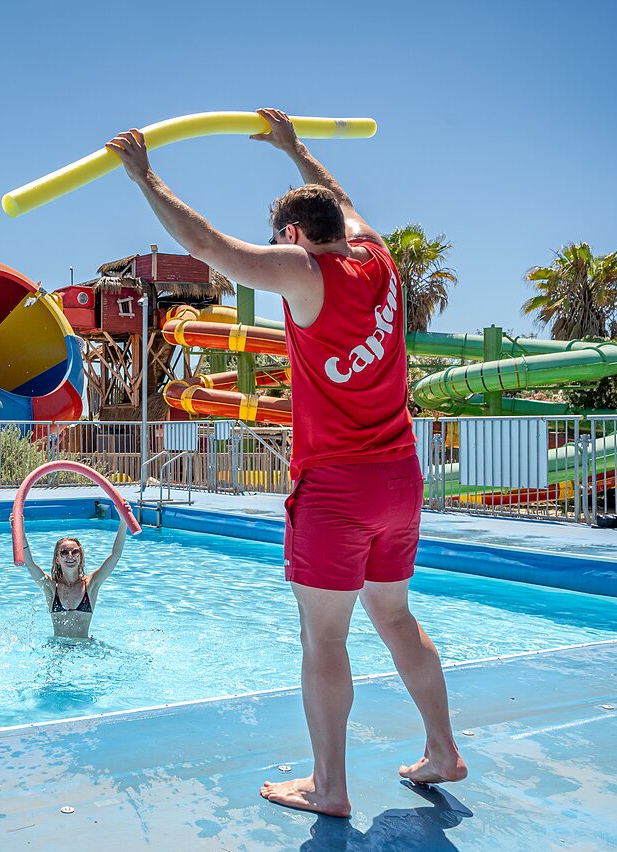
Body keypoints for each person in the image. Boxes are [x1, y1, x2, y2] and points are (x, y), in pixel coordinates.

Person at [107, 108, 466, 817]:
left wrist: (144, 175)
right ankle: (442, 751)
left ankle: (329, 787)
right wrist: (294, 148)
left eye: (282, 239)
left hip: (336, 488)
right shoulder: (378, 256)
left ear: (294, 237)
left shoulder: (308, 273)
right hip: (399, 477)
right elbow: (339, 197)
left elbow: (208, 244)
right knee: (394, 618)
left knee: (323, 637)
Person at [19, 519, 128, 639]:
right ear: (57, 559)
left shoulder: (91, 584)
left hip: (84, 648)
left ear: (80, 556)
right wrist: (20, 531)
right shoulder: (51, 586)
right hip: (58, 650)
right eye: (64, 552)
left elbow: (115, 555)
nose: (70, 556)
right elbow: (29, 563)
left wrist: (124, 521)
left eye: (75, 552)